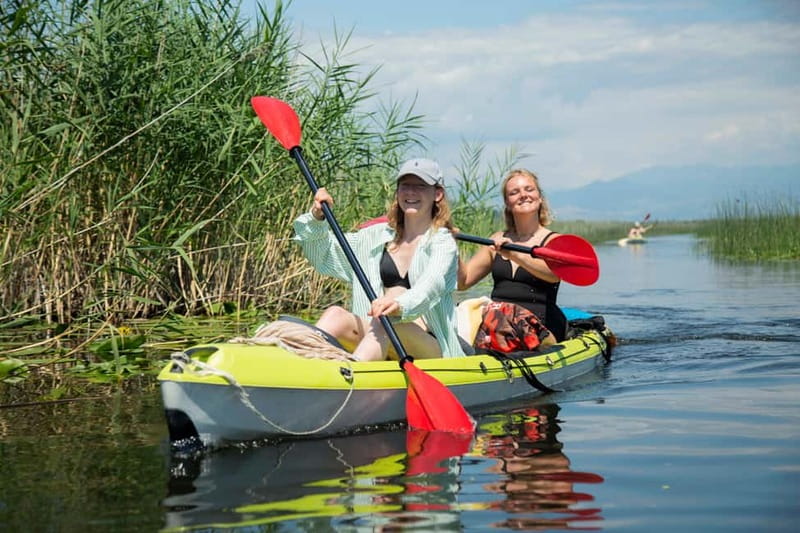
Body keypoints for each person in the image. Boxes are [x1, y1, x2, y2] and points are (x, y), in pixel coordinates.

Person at [293, 158, 465, 361]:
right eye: (405, 186)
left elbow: (431, 285)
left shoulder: (443, 243)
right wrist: (318, 218)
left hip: (431, 345)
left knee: (385, 320)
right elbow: (323, 255)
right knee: (334, 314)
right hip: (377, 332)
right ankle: (302, 366)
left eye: (420, 186)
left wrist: (400, 304)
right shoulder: (373, 237)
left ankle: (354, 378)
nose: (410, 192)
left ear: (437, 194)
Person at [458, 168, 566, 343]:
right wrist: (450, 247)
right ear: (507, 203)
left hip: (541, 326)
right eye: (514, 192)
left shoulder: (555, 241)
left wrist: (515, 254)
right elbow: (463, 282)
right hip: (498, 323)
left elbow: (554, 275)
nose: (523, 195)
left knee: (507, 319)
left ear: (540, 198)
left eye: (529, 189)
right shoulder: (496, 240)